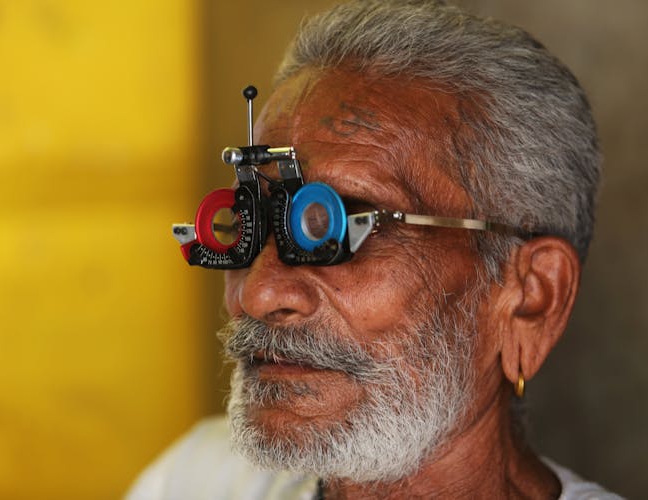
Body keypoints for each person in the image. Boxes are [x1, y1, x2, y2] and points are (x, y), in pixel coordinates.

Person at [128, 1, 622, 498]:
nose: (258, 294)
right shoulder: (196, 480)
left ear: (531, 297)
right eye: (246, 225)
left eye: (335, 225)